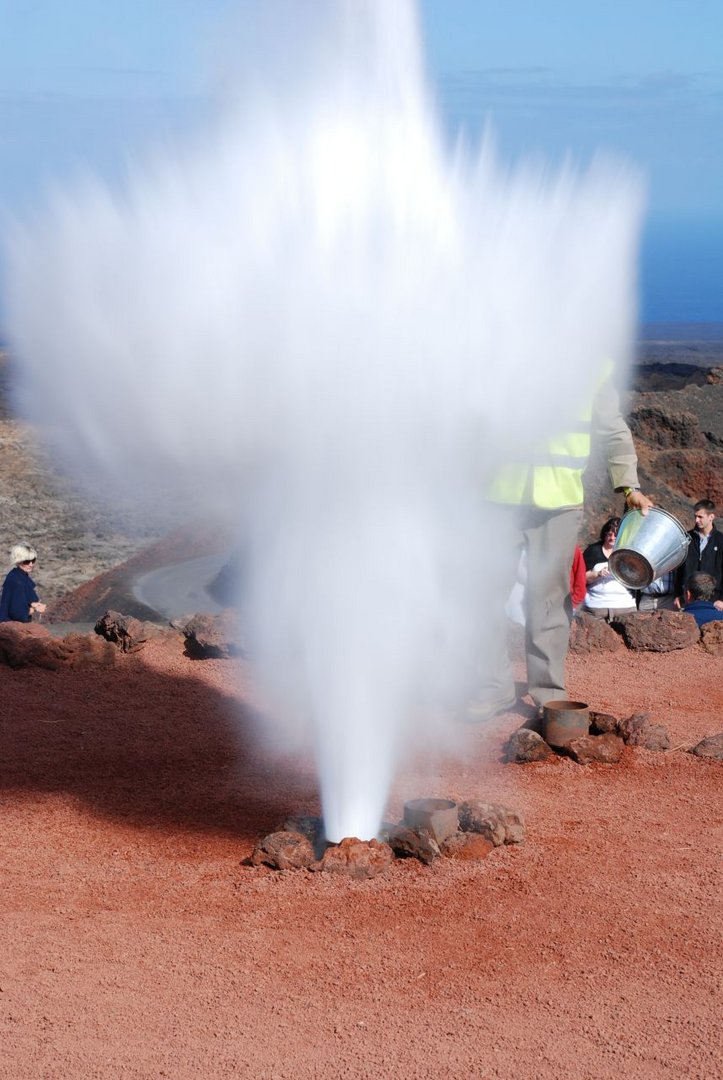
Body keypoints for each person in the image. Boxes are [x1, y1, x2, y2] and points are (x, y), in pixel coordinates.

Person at [467, 368, 654, 720]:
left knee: (550, 599)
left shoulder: (590, 361)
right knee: (482, 594)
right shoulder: (503, 349)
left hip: (559, 501)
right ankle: (494, 687)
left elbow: (613, 429)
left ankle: (548, 693)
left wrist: (629, 486)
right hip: (498, 497)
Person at [582, 517, 637, 619]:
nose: (612, 538)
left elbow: (638, 578)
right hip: (596, 607)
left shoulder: (631, 552)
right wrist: (598, 574)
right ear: (604, 534)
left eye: (616, 535)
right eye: (609, 534)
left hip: (626, 607)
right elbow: (581, 578)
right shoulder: (592, 551)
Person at [675, 499, 723, 609]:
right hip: (688, 601)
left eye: (700, 517)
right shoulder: (686, 538)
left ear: (711, 517)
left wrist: (722, 600)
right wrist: (678, 595)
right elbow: (678, 569)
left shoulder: (721, 541)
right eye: (695, 516)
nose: (696, 520)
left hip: (714, 603)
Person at [0, 543, 47, 623]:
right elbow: (18, 614)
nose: (31, 564)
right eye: (26, 561)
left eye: (33, 560)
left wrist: (34, 604)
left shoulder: (18, 575)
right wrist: (35, 609)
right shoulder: (17, 581)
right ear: (18, 561)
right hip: (10, 627)